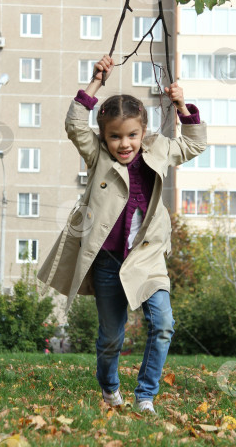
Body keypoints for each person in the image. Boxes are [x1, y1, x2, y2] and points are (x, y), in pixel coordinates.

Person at [38, 55, 207, 414]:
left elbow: (193, 145)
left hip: (146, 258)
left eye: (132, 135)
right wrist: (95, 83)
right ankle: (110, 388)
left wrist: (180, 105)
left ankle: (145, 395)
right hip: (106, 262)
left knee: (163, 324)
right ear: (105, 136)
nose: (124, 143)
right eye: (115, 136)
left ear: (144, 132)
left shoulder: (159, 148)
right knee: (110, 339)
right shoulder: (97, 153)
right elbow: (74, 125)